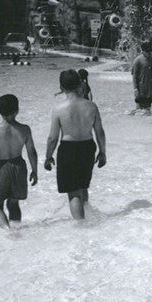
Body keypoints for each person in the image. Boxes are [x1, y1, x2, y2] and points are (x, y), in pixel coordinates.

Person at [45, 69, 106, 221]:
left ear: (61, 87)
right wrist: (103, 152)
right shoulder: (91, 106)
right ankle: (88, 214)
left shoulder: (58, 109)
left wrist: (48, 156)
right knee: (83, 185)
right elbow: (100, 132)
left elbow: (53, 137)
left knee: (73, 193)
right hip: (88, 147)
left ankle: (81, 226)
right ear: (80, 84)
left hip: (68, 149)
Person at [0, 94, 38, 229]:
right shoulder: (25, 129)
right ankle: (17, 230)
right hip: (19, 166)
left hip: (0, 169)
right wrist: (34, 171)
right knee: (14, 203)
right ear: (17, 110)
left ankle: (7, 230)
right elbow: (32, 152)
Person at [130, 42, 152, 115]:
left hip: (150, 88)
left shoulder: (151, 60)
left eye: (150, 51)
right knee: (138, 110)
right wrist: (135, 89)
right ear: (142, 51)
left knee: (148, 110)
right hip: (141, 89)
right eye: (147, 51)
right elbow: (134, 76)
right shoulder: (137, 60)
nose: (149, 53)